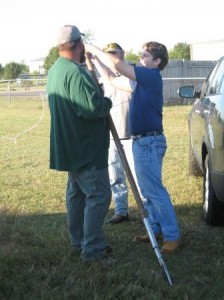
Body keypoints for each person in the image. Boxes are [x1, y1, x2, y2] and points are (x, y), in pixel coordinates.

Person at [85, 41, 181, 254]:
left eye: (145, 55)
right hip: (141, 141)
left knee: (154, 191)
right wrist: (96, 63)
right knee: (146, 191)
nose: (140, 58)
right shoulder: (140, 82)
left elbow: (118, 64)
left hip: (149, 142)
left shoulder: (150, 76)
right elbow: (111, 79)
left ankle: (172, 235)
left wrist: (93, 49)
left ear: (156, 61)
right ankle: (155, 229)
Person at [47, 25, 116, 266]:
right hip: (84, 148)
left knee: (76, 194)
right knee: (99, 194)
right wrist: (106, 100)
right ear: (78, 45)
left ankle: (78, 242)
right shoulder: (74, 73)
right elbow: (91, 108)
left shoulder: (56, 70)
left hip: (70, 146)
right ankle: (93, 250)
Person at [91, 42, 139, 224]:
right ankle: (121, 210)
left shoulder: (133, 74)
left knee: (138, 177)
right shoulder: (104, 77)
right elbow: (105, 77)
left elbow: (113, 76)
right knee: (115, 176)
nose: (112, 56)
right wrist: (94, 60)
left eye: (115, 53)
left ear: (122, 53)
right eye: (109, 54)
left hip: (133, 134)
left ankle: (147, 211)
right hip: (112, 134)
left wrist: (96, 58)